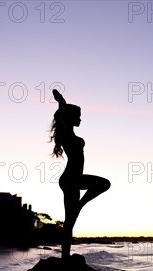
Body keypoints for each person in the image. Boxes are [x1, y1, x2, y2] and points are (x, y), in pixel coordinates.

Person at [49, 89, 110, 259]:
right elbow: (61, 114)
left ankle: (65, 258)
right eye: (78, 116)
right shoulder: (66, 133)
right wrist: (61, 100)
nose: (81, 119)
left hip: (73, 180)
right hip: (70, 179)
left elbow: (63, 114)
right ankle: (81, 205)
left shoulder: (71, 134)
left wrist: (62, 102)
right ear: (70, 118)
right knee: (104, 184)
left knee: (70, 222)